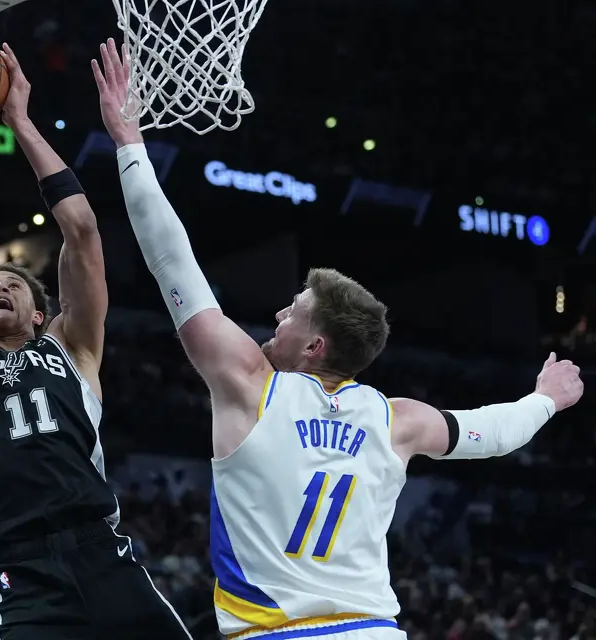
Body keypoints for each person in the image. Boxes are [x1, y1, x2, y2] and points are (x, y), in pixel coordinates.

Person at [92, 38, 585, 640]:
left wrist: (129, 143)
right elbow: (495, 433)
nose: (279, 311)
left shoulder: (250, 386)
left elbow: (173, 262)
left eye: (294, 311)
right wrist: (547, 398)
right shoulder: (396, 419)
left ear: (315, 346)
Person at [0, 43, 191, 640]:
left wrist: (21, 122)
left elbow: (81, 230)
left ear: (40, 314)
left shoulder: (72, 348)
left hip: (105, 554)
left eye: (14, 284)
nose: (0, 287)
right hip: (20, 573)